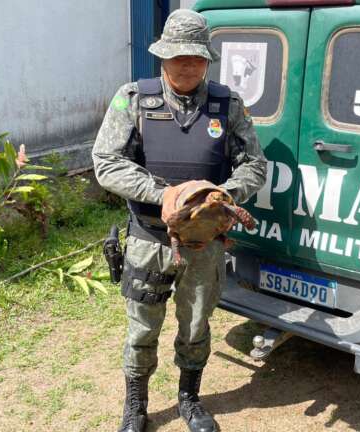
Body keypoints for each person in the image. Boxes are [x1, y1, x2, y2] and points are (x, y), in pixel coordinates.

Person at [91, 9, 267, 432]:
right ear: (162, 58)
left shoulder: (228, 105)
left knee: (195, 326)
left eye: (196, 58)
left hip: (203, 244)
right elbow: (105, 161)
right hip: (149, 240)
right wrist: (164, 194)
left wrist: (221, 198)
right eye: (178, 57)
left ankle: (189, 399)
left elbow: (255, 166)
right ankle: (136, 406)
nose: (187, 65)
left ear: (207, 59)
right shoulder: (134, 99)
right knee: (141, 329)